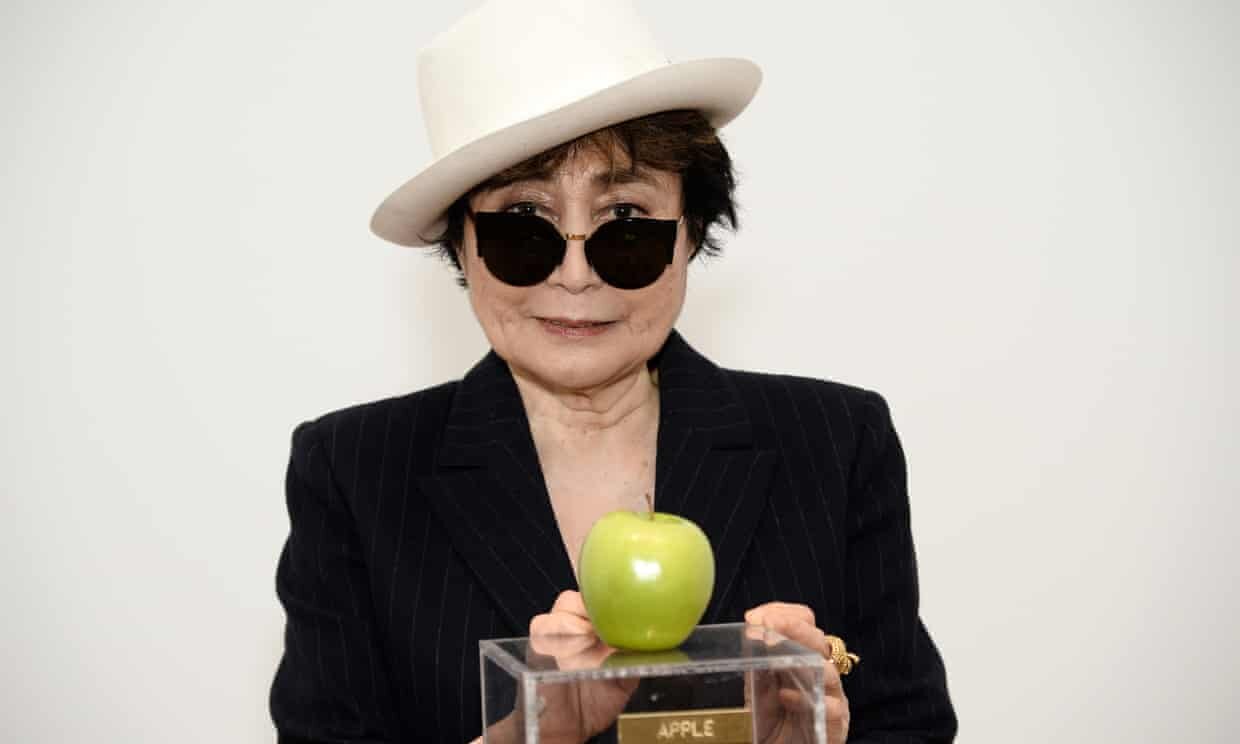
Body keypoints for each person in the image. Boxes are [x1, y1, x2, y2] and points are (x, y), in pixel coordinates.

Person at [268, 1, 957, 742]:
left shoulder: (836, 443)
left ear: (689, 236)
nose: (573, 274)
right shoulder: (354, 469)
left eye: (625, 224)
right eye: (522, 225)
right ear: (461, 247)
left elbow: (908, 724)